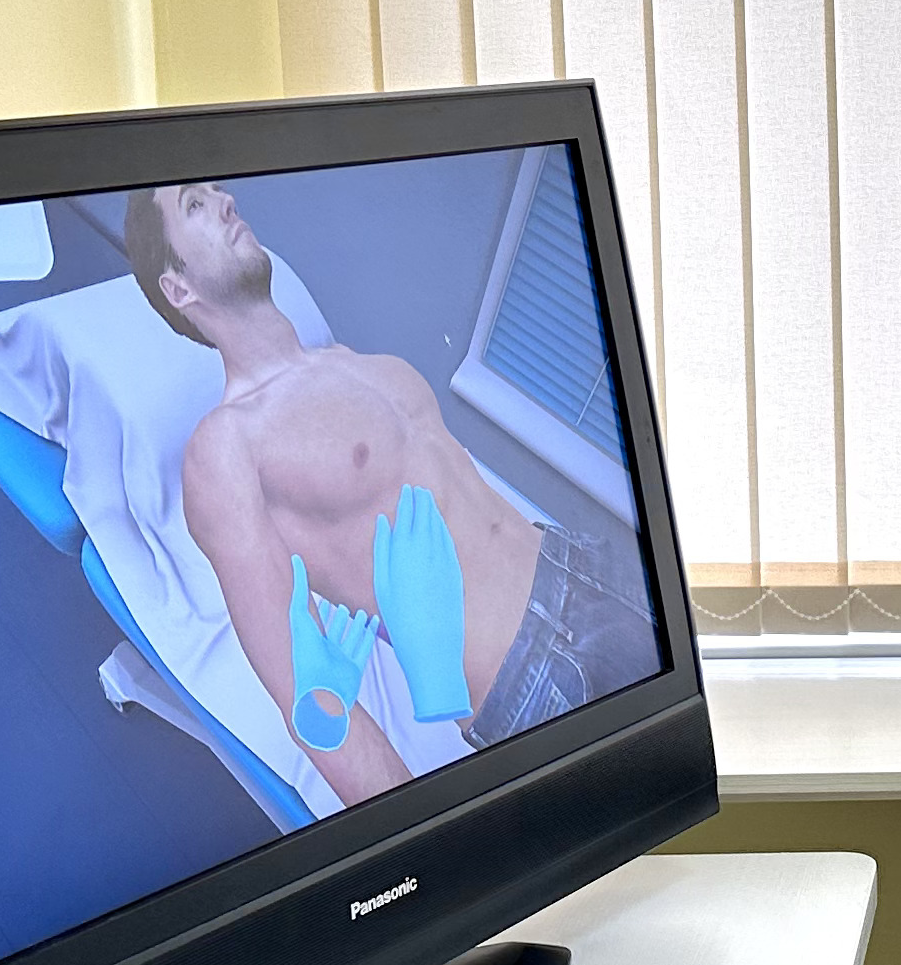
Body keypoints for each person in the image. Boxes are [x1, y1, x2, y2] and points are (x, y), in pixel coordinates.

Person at [125, 183, 655, 803]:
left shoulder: (349, 361)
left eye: (217, 190)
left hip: (584, 564)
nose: (225, 202)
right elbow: (310, 695)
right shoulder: (223, 447)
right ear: (178, 288)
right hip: (533, 672)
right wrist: (425, 842)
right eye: (193, 205)